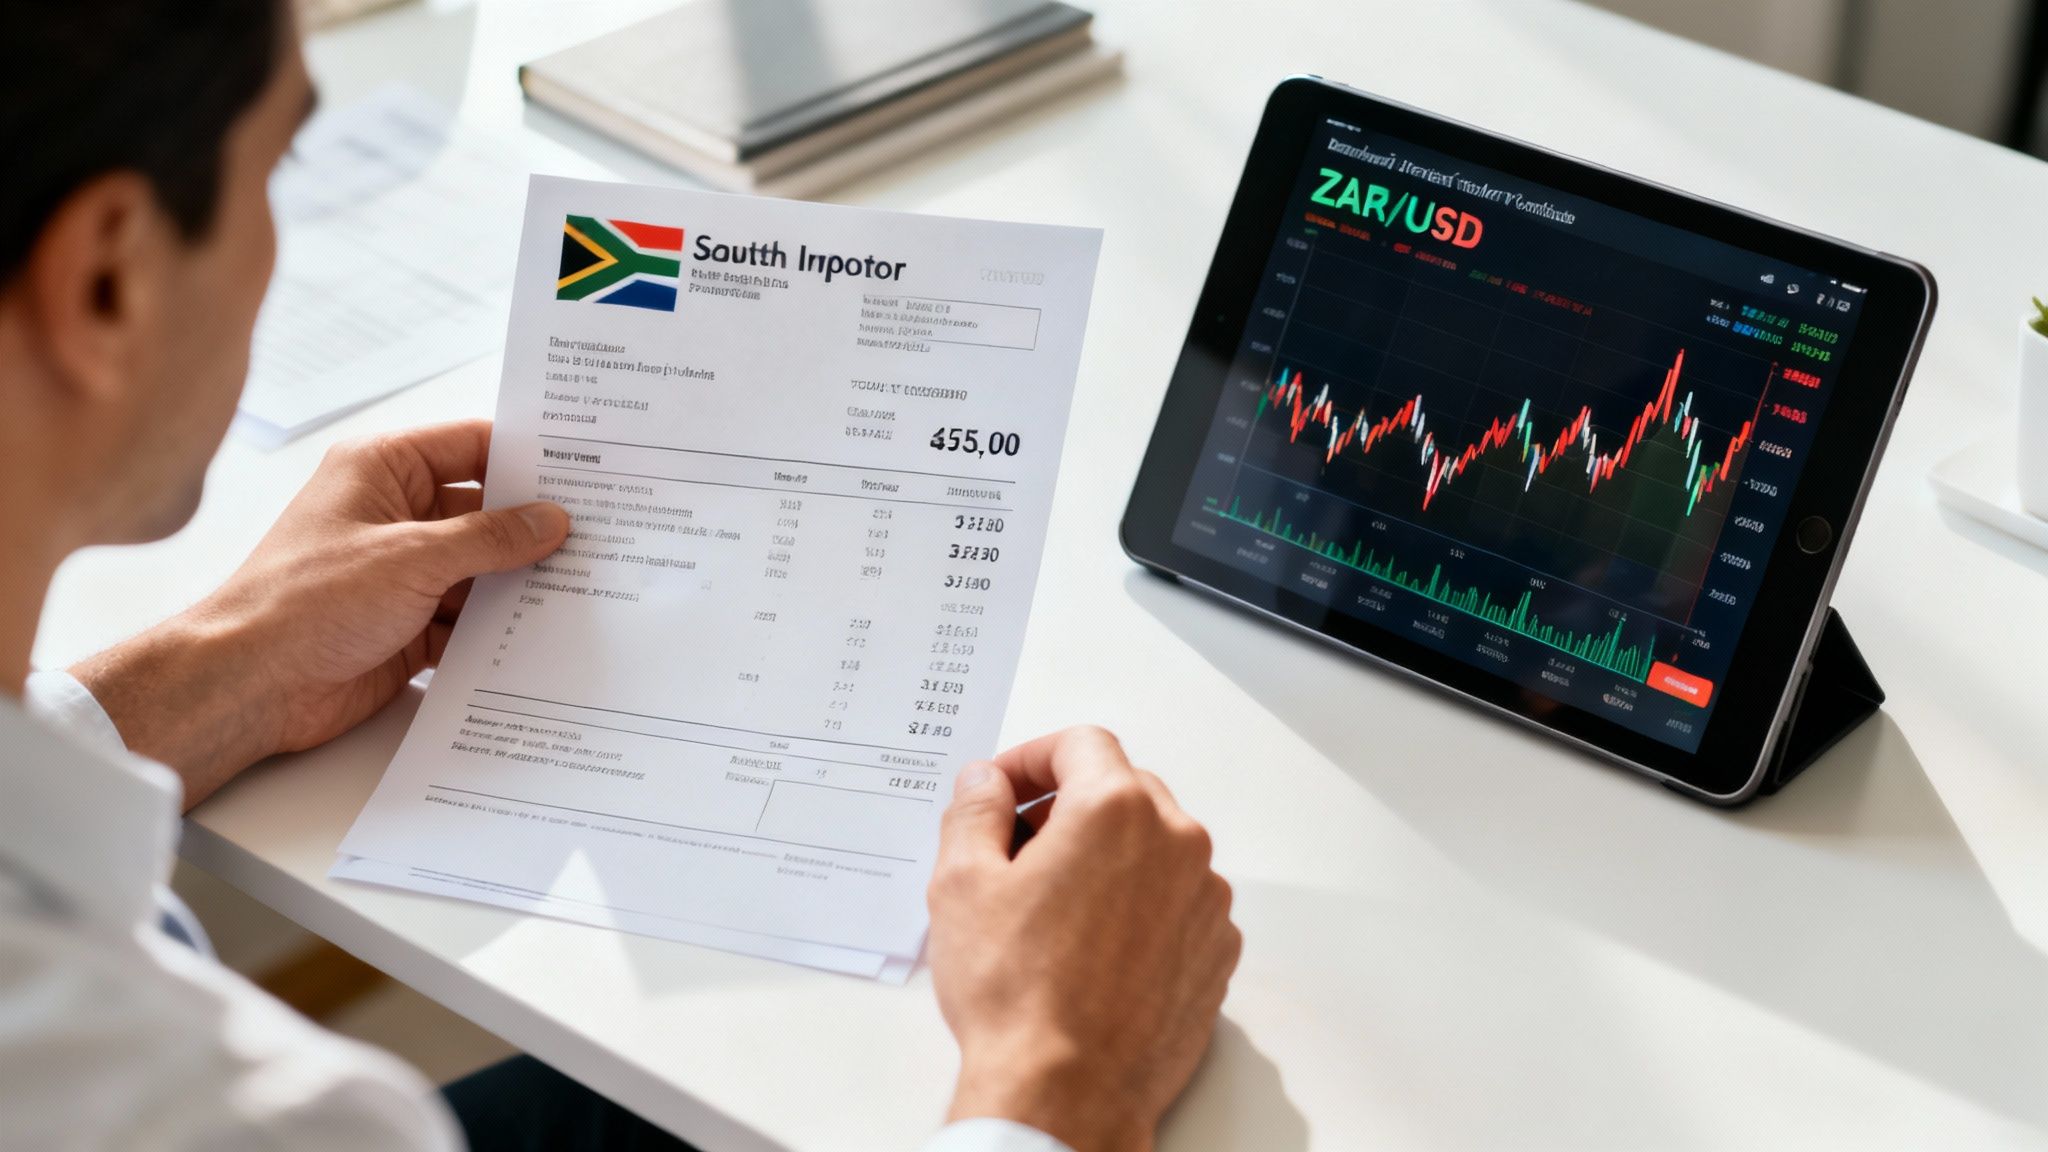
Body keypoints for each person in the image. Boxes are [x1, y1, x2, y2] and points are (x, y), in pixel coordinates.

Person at [0, 5, 1241, 1152]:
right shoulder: (235, 1115)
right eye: (278, 170)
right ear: (107, 279)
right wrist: (1060, 1074)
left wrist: (222, 672)